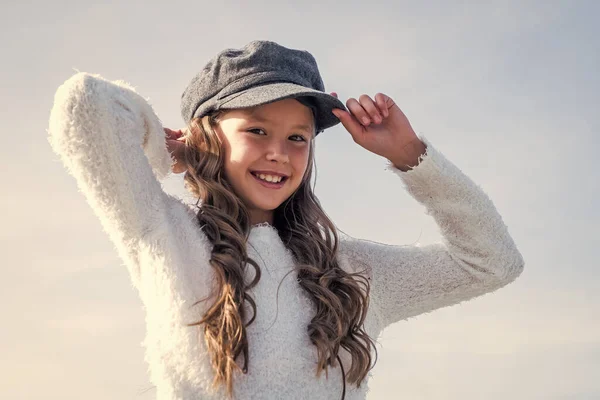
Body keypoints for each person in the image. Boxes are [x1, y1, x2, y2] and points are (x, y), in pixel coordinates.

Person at [47, 40, 524, 400]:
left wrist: (409, 156)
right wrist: (174, 149)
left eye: (299, 137)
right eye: (256, 129)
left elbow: (492, 263)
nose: (279, 153)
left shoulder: (352, 271)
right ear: (207, 135)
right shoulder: (162, 233)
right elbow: (85, 103)